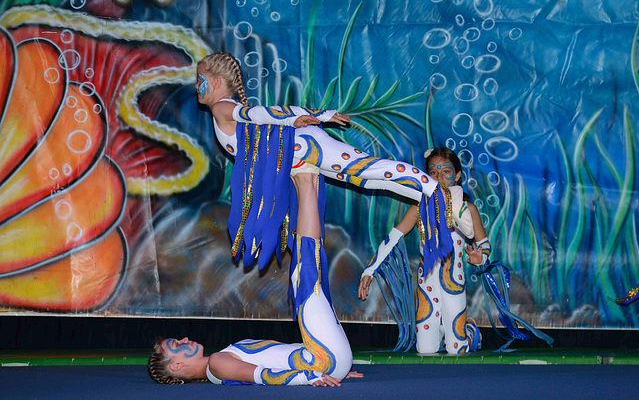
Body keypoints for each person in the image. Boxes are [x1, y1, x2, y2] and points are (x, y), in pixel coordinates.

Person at [196, 52, 451, 269]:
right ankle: (425, 195)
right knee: (366, 180)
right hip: (297, 156)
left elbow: (259, 114)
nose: (197, 87)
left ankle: (431, 188)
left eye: (201, 80)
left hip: (305, 147)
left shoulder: (222, 108)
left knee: (365, 169)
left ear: (217, 81)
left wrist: (315, 115)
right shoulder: (223, 109)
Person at [148, 171, 364, 386]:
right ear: (176, 366)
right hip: (322, 361)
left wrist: (336, 371)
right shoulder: (216, 363)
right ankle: (305, 176)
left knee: (308, 269)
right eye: (177, 344)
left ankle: (307, 179)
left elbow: (272, 366)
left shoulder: (220, 364)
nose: (184, 339)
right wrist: (311, 377)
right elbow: (263, 375)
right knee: (306, 268)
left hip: (326, 361)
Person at [358, 147, 490, 354]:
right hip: (426, 285)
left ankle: (471, 332)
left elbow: (485, 245)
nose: (439, 177)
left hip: (453, 286)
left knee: (457, 351)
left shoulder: (468, 209)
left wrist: (480, 258)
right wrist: (369, 271)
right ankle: (441, 330)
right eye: (433, 172)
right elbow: (392, 238)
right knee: (426, 350)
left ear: (457, 175)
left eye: (446, 172)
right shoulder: (418, 208)